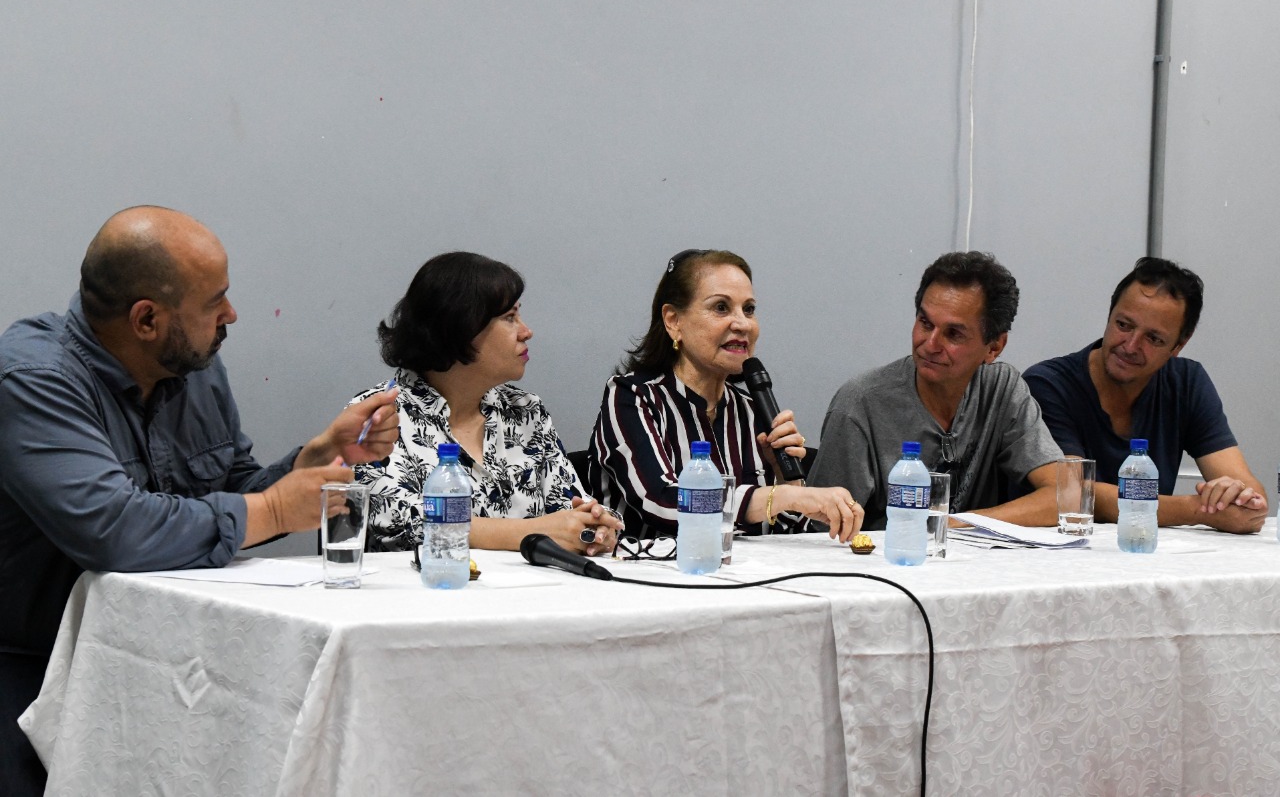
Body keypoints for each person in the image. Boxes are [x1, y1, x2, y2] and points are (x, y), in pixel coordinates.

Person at [0, 206, 399, 796]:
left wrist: (310, 461)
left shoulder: (193, 365)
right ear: (147, 319)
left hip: (165, 657)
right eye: (215, 301)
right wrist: (273, 510)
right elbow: (115, 531)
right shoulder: (34, 379)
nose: (231, 314)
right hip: (32, 667)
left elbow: (229, 495)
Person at [352, 252, 622, 556]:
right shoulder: (379, 413)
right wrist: (532, 532)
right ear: (461, 326)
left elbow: (570, 508)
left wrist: (595, 526)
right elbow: (398, 522)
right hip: (425, 584)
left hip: (531, 586)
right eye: (509, 318)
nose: (526, 331)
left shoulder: (525, 412)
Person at [587, 249, 863, 544]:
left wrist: (787, 479)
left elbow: (781, 538)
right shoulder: (632, 397)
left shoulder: (752, 410)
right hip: (651, 569)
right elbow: (663, 503)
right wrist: (781, 496)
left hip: (742, 570)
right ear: (673, 320)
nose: (743, 324)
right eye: (721, 307)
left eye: (749, 309)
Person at [808, 251, 1061, 529]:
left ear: (994, 347)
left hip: (967, 554)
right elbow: (820, 534)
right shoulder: (860, 405)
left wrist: (952, 525)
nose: (930, 344)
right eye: (925, 323)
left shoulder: (1001, 390)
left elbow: (1064, 496)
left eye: (953, 334)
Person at [1023, 257, 1267, 533]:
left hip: (1142, 547)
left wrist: (1241, 499)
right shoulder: (1049, 384)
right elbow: (1075, 493)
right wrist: (1200, 509)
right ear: (1109, 315)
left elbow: (1250, 493)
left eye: (1154, 339)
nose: (1130, 346)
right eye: (1124, 325)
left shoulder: (1187, 382)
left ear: (1179, 345)